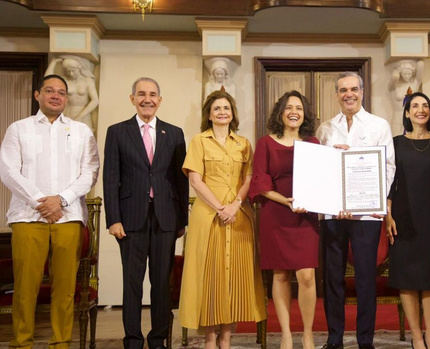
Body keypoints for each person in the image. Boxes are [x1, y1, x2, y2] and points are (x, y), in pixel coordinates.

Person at [0, 74, 99, 348]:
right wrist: (40, 201)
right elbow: (8, 171)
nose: (56, 96)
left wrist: (62, 200)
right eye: (50, 91)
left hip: (68, 217)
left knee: (65, 288)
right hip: (28, 217)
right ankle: (22, 342)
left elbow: (90, 172)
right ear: (37, 95)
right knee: (25, 287)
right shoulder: (18, 129)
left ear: (66, 98)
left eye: (61, 92)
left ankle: (61, 342)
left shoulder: (81, 131)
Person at [103, 77, 188, 349]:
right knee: (132, 283)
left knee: (162, 284)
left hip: (165, 219)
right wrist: (113, 218)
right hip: (130, 219)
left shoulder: (174, 133)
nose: (147, 99)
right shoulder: (117, 132)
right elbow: (111, 178)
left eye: (152, 94)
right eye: (141, 94)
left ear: (160, 101)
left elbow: (180, 179)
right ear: (132, 99)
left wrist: (182, 220)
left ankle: (158, 339)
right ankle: (132, 340)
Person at [178, 90, 266, 349]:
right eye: (217, 108)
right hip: (209, 217)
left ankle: (226, 337)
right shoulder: (199, 141)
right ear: (209, 114)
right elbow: (195, 179)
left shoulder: (243, 144)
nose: (222, 112)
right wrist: (220, 208)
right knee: (210, 277)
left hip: (239, 217)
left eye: (226, 108)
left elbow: (249, 178)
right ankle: (209, 338)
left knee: (232, 279)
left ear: (232, 113)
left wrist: (236, 205)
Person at [316, 72, 395, 349]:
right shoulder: (325, 129)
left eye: (353, 89)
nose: (348, 94)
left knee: (365, 279)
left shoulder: (379, 125)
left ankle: (365, 341)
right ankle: (334, 339)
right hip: (332, 214)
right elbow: (320, 170)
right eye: (342, 90)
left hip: (365, 215)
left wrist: (374, 201)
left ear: (362, 91)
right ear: (336, 94)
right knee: (333, 279)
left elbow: (388, 167)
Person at [249, 90, 319, 349]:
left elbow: (321, 179)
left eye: (299, 108)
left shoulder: (313, 142)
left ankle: (308, 333)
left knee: (307, 276)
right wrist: (287, 201)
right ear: (280, 112)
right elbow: (260, 180)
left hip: (306, 216)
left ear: (304, 115)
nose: (294, 112)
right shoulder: (266, 143)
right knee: (279, 275)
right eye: (289, 107)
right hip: (276, 214)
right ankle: (287, 334)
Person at [385, 92, 430, 349]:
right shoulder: (395, 143)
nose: (421, 110)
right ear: (407, 113)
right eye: (415, 106)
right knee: (407, 278)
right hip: (402, 218)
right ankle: (416, 335)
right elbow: (389, 182)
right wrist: (388, 215)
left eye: (425, 106)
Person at [45, 56, 99, 132]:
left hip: (83, 116)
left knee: (83, 140)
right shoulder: (65, 81)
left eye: (73, 70)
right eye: (68, 71)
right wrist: (54, 62)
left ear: (79, 68)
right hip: (67, 114)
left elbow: (95, 101)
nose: (71, 73)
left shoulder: (88, 81)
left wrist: (80, 116)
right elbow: (48, 81)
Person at [388, 60, 423, 132]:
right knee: (396, 138)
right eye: (405, 74)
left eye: (409, 73)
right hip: (398, 115)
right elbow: (394, 77)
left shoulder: (414, 84)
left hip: (412, 115)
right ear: (401, 73)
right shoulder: (396, 85)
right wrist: (397, 69)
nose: (407, 76)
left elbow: (421, 65)